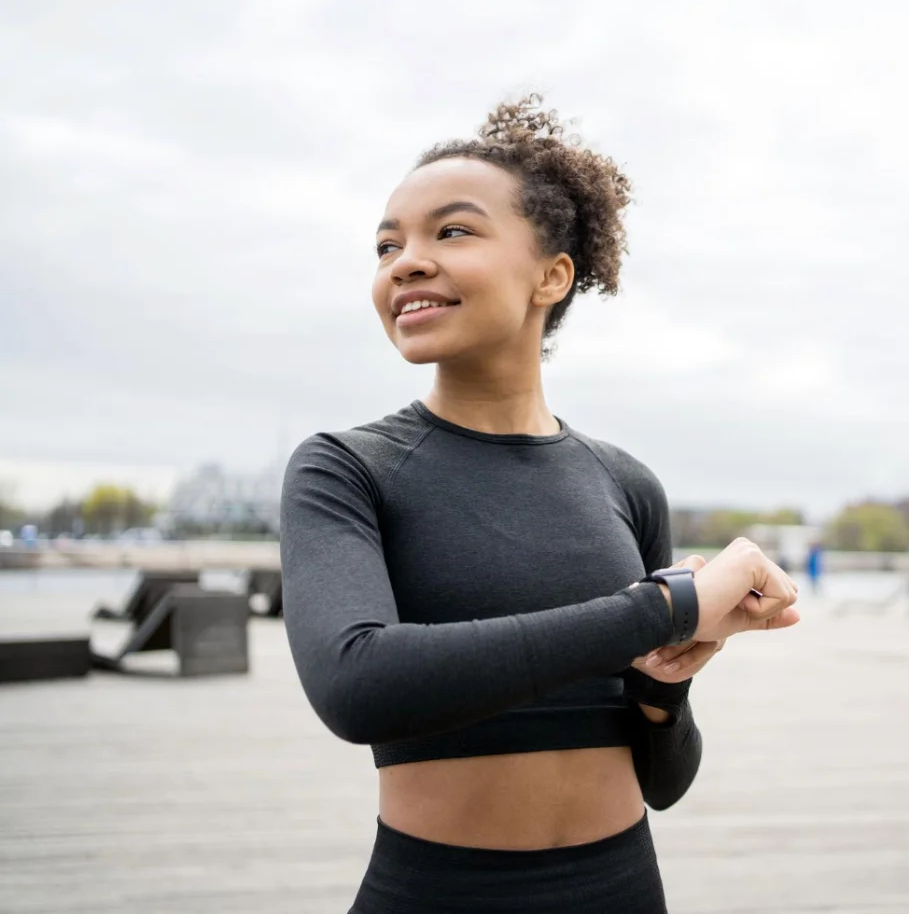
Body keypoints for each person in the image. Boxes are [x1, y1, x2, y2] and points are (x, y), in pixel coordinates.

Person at [278, 95, 801, 914]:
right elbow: (358, 686)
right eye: (388, 244)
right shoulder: (347, 468)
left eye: (451, 231)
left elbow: (664, 780)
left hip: (622, 888)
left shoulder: (624, 484)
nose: (405, 262)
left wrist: (666, 687)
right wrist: (666, 608)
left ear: (551, 274)